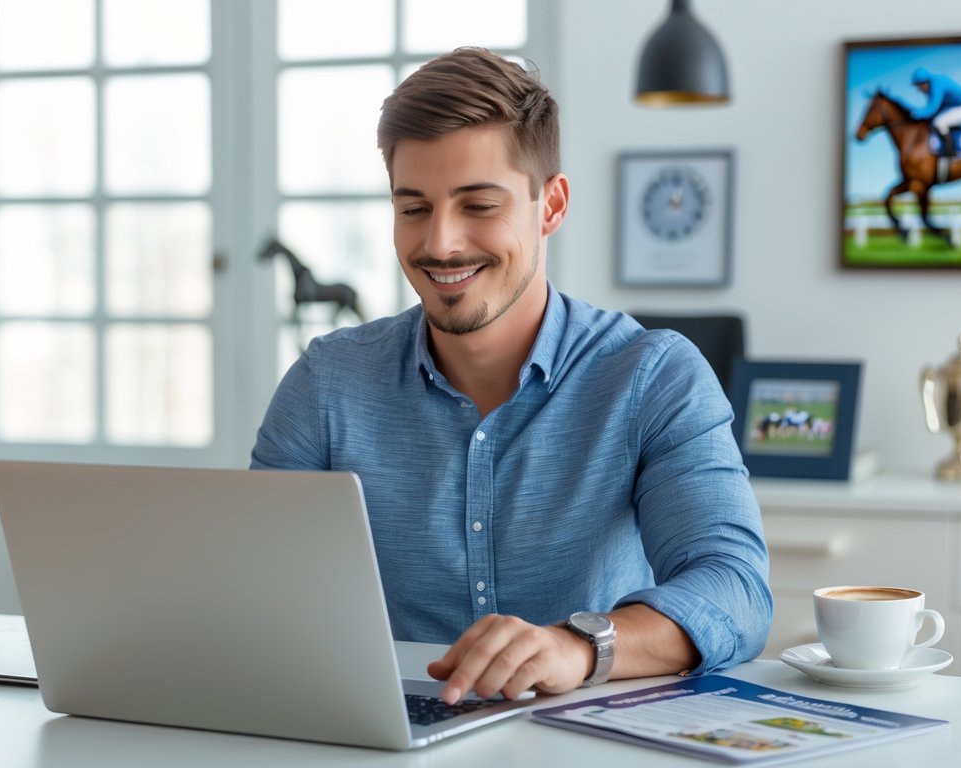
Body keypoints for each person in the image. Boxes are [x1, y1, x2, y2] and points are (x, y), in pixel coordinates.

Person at [251, 47, 770, 706]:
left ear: (549, 205)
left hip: (585, 743)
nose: (439, 242)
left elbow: (735, 591)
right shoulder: (326, 382)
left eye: (477, 205)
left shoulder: (652, 376)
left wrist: (579, 647)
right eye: (413, 208)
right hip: (382, 738)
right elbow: (256, 589)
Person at [909, 67, 961, 158]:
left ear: (924, 83)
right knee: (935, 121)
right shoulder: (933, 84)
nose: (919, 91)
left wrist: (913, 114)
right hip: (956, 107)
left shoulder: (936, 84)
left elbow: (931, 109)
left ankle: (950, 153)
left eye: (919, 87)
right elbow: (934, 110)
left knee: (939, 123)